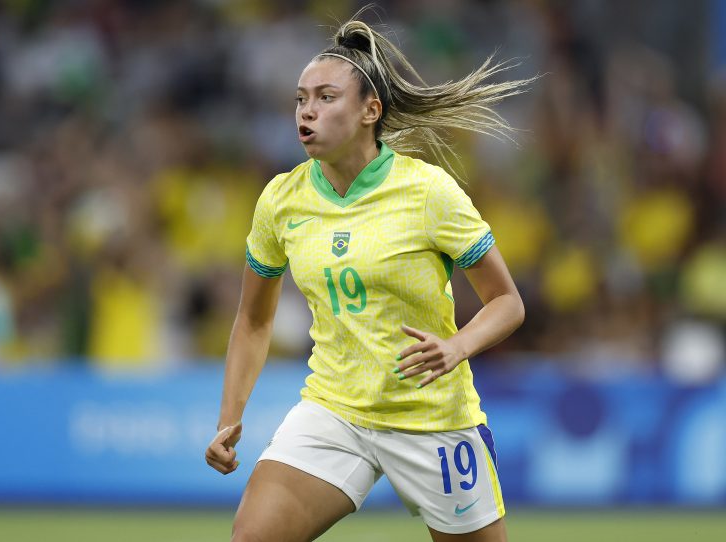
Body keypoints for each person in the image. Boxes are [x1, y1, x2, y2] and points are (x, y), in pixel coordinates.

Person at [205, 9, 532, 542]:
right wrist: (228, 418)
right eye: (300, 99)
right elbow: (253, 320)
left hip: (432, 418)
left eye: (325, 98)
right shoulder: (281, 200)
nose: (306, 112)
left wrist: (457, 346)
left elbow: (507, 302)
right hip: (335, 411)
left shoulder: (428, 192)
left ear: (369, 111)